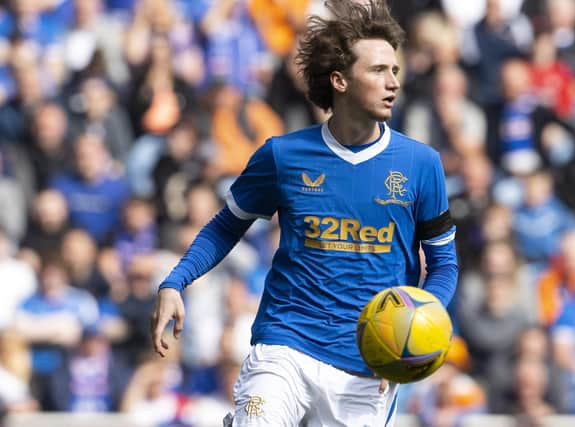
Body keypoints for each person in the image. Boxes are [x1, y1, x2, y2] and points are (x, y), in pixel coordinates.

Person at [150, 1, 458, 426]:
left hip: (367, 364)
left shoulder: (421, 164)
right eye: (378, 71)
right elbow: (226, 226)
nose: (392, 83)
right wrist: (175, 280)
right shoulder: (284, 155)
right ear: (340, 80)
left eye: (395, 71)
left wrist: (415, 328)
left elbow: (443, 264)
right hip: (285, 344)